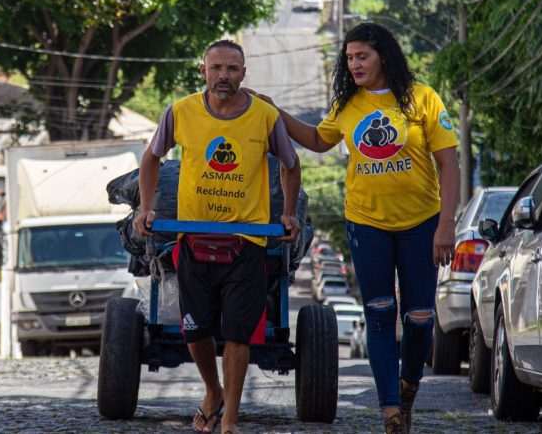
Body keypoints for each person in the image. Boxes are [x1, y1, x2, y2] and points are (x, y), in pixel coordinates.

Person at [252, 22, 459, 434]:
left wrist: (446, 226)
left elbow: (449, 164)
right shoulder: (348, 105)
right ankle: (390, 412)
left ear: (384, 55)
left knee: (419, 318)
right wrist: (275, 111)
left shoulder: (423, 98)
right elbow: (316, 139)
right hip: (366, 222)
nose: (355, 64)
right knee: (380, 314)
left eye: (362, 56)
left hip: (422, 224)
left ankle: (408, 386)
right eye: (349, 58)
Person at [134, 39, 301, 434]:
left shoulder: (264, 115)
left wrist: (289, 213)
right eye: (216, 68)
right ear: (203, 71)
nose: (224, 76)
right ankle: (213, 390)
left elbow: (291, 165)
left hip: (247, 245)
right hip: (194, 240)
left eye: (232, 69)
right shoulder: (180, 112)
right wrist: (146, 208)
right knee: (195, 329)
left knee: (238, 335)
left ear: (244, 73)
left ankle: (229, 420)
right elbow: (151, 158)